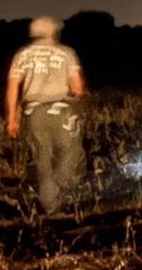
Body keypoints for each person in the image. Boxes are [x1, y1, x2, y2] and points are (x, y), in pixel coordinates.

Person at [5, 17, 89, 215]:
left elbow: (12, 88)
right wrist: (81, 95)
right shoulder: (66, 53)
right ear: (53, 32)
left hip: (34, 113)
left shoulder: (22, 55)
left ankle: (50, 205)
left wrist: (12, 119)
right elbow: (77, 88)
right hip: (62, 110)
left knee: (43, 157)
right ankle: (62, 188)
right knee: (70, 153)